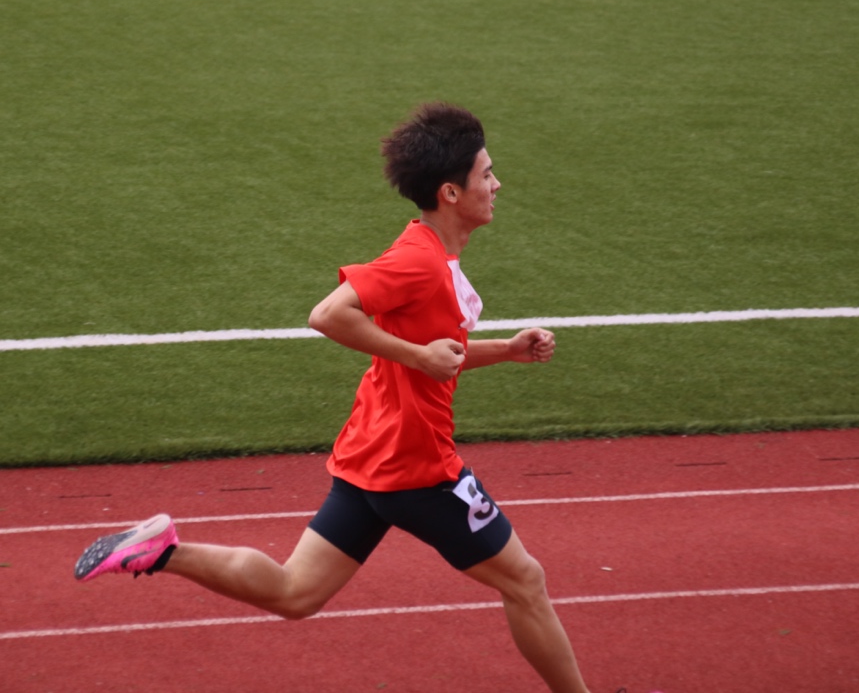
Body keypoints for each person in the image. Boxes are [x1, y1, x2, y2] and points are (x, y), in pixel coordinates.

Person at [74, 103, 592, 693]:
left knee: (295, 592)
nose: (497, 185)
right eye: (487, 174)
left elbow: (435, 352)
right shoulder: (419, 261)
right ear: (450, 192)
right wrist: (418, 356)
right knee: (525, 580)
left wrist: (506, 350)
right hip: (417, 468)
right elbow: (328, 315)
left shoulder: (433, 254)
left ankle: (163, 550)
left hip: (369, 457)